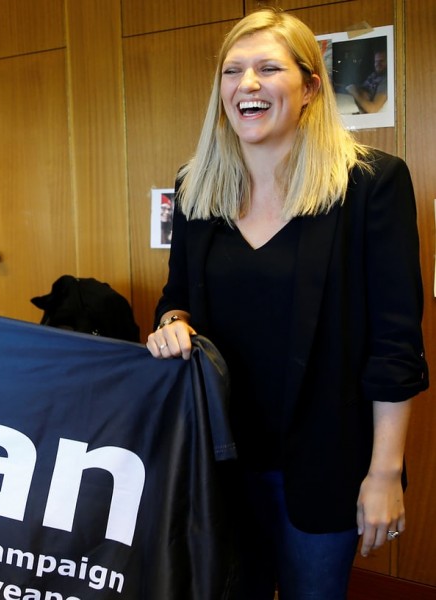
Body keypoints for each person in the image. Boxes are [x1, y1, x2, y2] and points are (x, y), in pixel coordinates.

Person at [146, 9, 427, 600]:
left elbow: (394, 346)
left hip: (325, 466)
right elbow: (175, 301)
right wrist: (170, 325)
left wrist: (384, 473)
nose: (246, 84)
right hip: (218, 465)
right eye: (232, 71)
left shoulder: (371, 185)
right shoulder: (196, 186)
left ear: (311, 88)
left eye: (268, 68)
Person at [345, 49, 388, 114]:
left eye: (381, 61)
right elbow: (363, 88)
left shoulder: (386, 81)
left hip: (357, 106)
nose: (378, 64)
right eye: (376, 61)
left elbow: (373, 109)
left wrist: (354, 92)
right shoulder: (374, 75)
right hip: (353, 98)